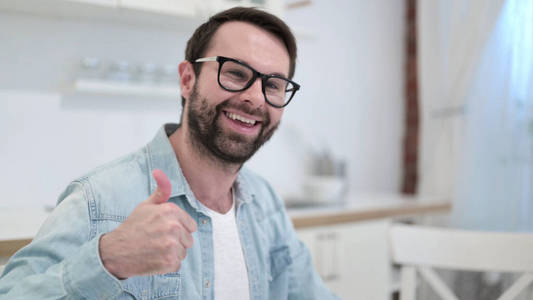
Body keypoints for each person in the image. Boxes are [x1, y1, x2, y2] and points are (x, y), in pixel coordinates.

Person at [0, 6, 339, 300]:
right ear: (187, 80)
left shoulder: (265, 203)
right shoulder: (99, 200)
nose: (256, 97)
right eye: (236, 73)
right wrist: (106, 261)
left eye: (274, 85)